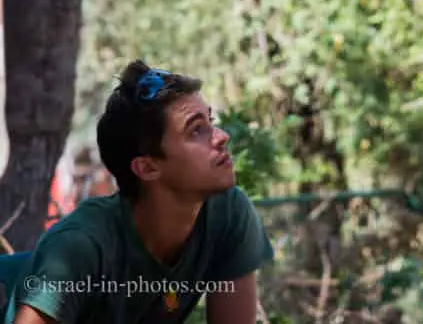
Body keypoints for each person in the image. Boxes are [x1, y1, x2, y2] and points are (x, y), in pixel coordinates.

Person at [7, 60, 275, 323]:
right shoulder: (80, 246)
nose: (221, 136)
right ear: (147, 168)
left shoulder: (228, 213)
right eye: (196, 130)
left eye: (210, 120)